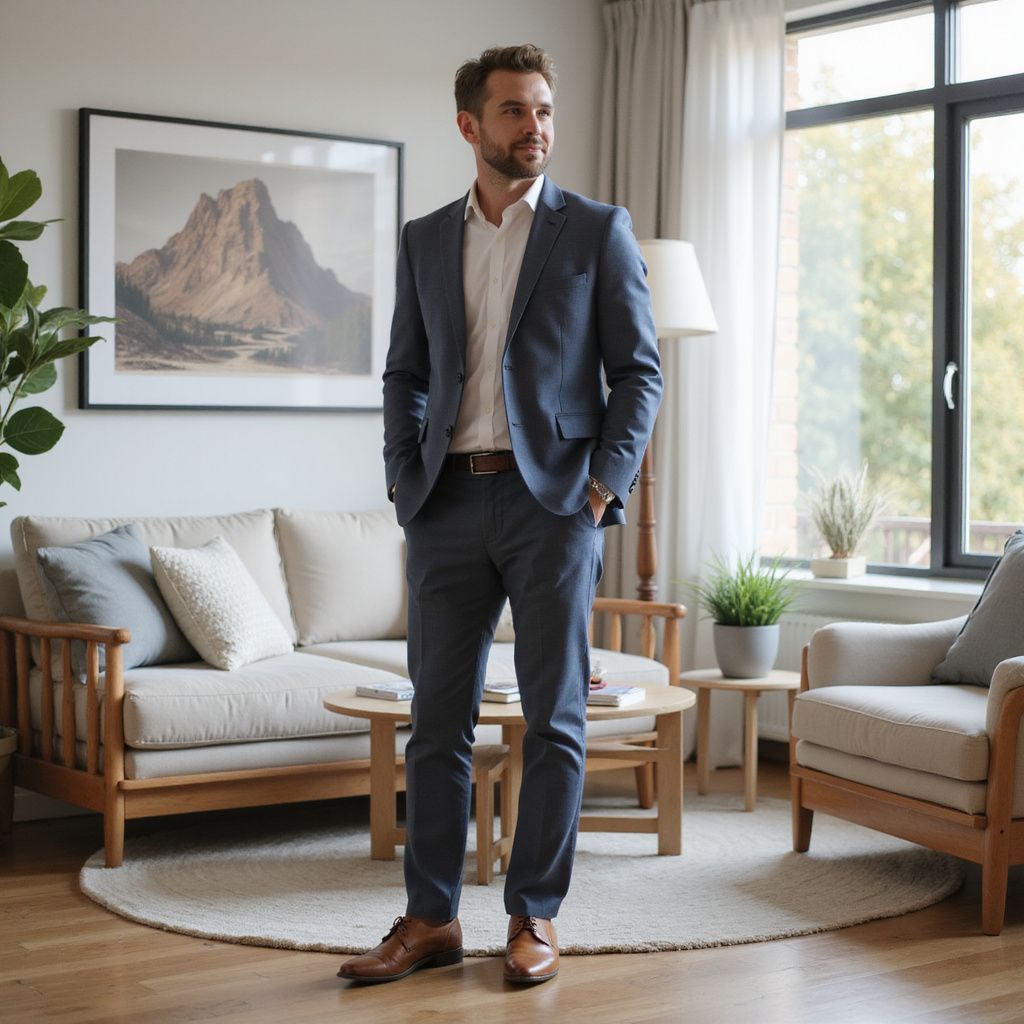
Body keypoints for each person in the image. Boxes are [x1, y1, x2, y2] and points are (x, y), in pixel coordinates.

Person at [337, 43, 662, 986]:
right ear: (470, 125)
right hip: (444, 502)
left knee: (555, 719)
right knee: (435, 722)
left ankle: (534, 918)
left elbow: (637, 372)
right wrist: (406, 481)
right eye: (516, 112)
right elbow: (405, 372)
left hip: (551, 503)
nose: (537, 128)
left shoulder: (597, 231)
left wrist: (601, 488)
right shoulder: (425, 238)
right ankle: (431, 917)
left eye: (545, 111)